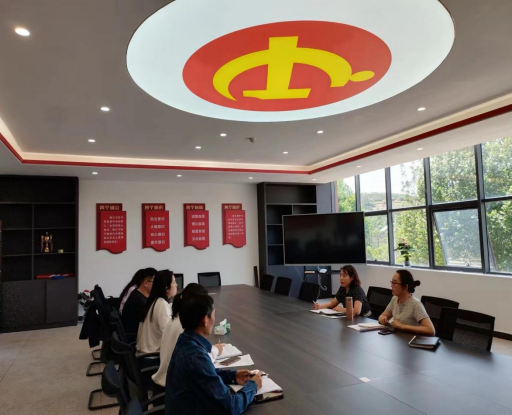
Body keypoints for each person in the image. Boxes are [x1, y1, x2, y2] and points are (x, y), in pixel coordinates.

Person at [165, 293, 261, 415]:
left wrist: (233, 376)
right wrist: (253, 386)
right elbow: (231, 407)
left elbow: (205, 375)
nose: (214, 319)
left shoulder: (185, 340)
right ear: (205, 320)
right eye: (214, 315)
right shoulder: (197, 357)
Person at [153, 283, 224, 388]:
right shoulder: (184, 327)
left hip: (169, 380)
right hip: (172, 385)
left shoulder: (177, 319)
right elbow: (199, 363)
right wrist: (216, 350)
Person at [378, 270, 435, 336]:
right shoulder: (394, 299)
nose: (391, 285)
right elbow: (383, 316)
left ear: (405, 287)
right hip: (397, 337)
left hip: (410, 340)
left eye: (395, 283)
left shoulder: (415, 304)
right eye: (392, 282)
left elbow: (431, 330)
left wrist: (402, 326)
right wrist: (381, 319)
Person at [137, 270, 177, 354]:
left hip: (146, 351)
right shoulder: (161, 304)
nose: (176, 285)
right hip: (152, 354)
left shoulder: (154, 301)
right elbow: (169, 333)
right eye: (174, 282)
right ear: (166, 288)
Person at [121, 269, 157, 342]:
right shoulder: (139, 301)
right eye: (156, 282)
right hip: (137, 339)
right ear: (146, 283)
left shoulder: (137, 294)